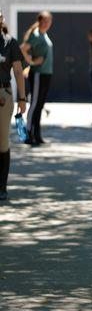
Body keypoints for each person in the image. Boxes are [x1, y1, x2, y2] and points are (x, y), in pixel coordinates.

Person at [0, 10, 27, 200]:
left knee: (2, 142)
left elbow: (18, 71)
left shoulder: (9, 42)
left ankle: (2, 186)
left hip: (3, 94)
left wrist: (22, 98)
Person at [20, 11, 53, 146]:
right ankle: (28, 134)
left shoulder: (44, 35)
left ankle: (37, 134)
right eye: (44, 21)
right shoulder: (35, 35)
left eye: (49, 21)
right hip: (38, 73)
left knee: (40, 105)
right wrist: (32, 62)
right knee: (34, 104)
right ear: (39, 21)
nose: (47, 23)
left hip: (46, 74)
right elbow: (23, 49)